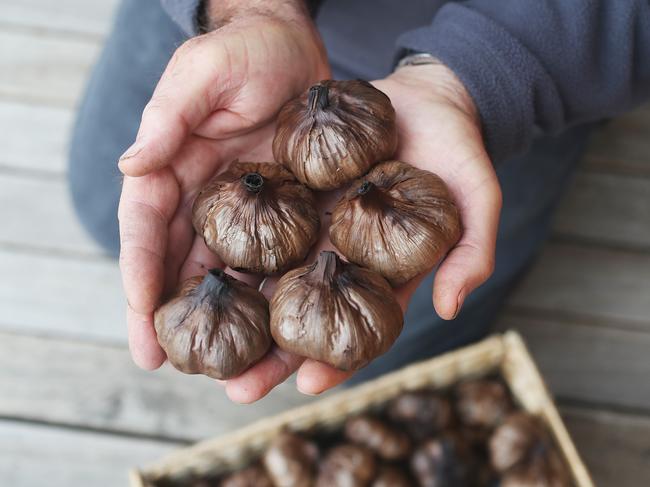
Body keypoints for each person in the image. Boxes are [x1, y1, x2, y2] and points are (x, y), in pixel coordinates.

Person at [69, 0, 650, 404]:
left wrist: (482, 70)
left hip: (537, 57)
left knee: (408, 350)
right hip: (233, 35)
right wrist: (250, 12)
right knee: (109, 203)